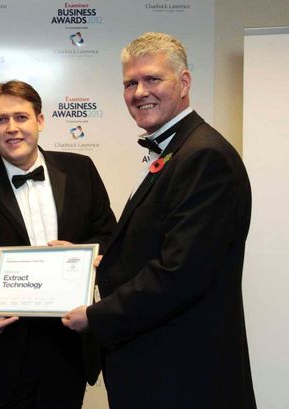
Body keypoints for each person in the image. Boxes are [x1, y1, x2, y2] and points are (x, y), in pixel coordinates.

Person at [61, 32, 257, 409]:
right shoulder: (177, 152)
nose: (139, 92)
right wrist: (91, 261)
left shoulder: (203, 157)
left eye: (152, 79)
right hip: (163, 371)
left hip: (185, 378)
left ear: (184, 83)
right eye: (130, 83)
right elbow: (160, 246)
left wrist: (97, 316)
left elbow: (180, 272)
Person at [0, 80, 116, 409]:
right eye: (1, 119)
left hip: (67, 348)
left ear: (40, 121)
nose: (12, 128)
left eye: (21, 117)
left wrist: (85, 256)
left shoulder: (81, 170)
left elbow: (110, 237)